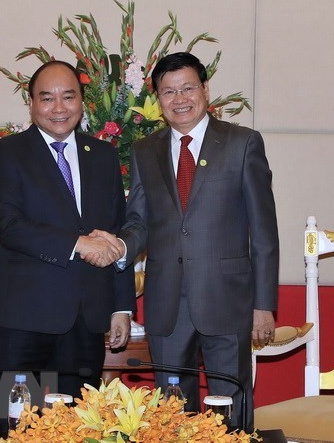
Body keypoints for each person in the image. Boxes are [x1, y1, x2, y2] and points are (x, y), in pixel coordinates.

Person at [91, 52, 279, 429]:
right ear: (158, 100)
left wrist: (263, 304)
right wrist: (123, 245)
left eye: (188, 88)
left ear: (205, 89)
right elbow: (139, 219)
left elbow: (263, 230)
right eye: (168, 91)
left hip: (228, 299)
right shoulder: (146, 151)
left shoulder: (243, 144)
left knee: (231, 407)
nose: (180, 99)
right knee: (171, 410)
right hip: (167, 301)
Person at [0, 60, 136, 399]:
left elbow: (117, 232)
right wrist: (79, 244)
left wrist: (121, 307)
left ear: (82, 102)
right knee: (12, 426)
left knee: (81, 425)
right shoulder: (6, 153)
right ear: (32, 103)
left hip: (87, 320)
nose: (58, 108)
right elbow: (10, 226)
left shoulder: (102, 155)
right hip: (22, 319)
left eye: (68, 97)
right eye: (47, 98)